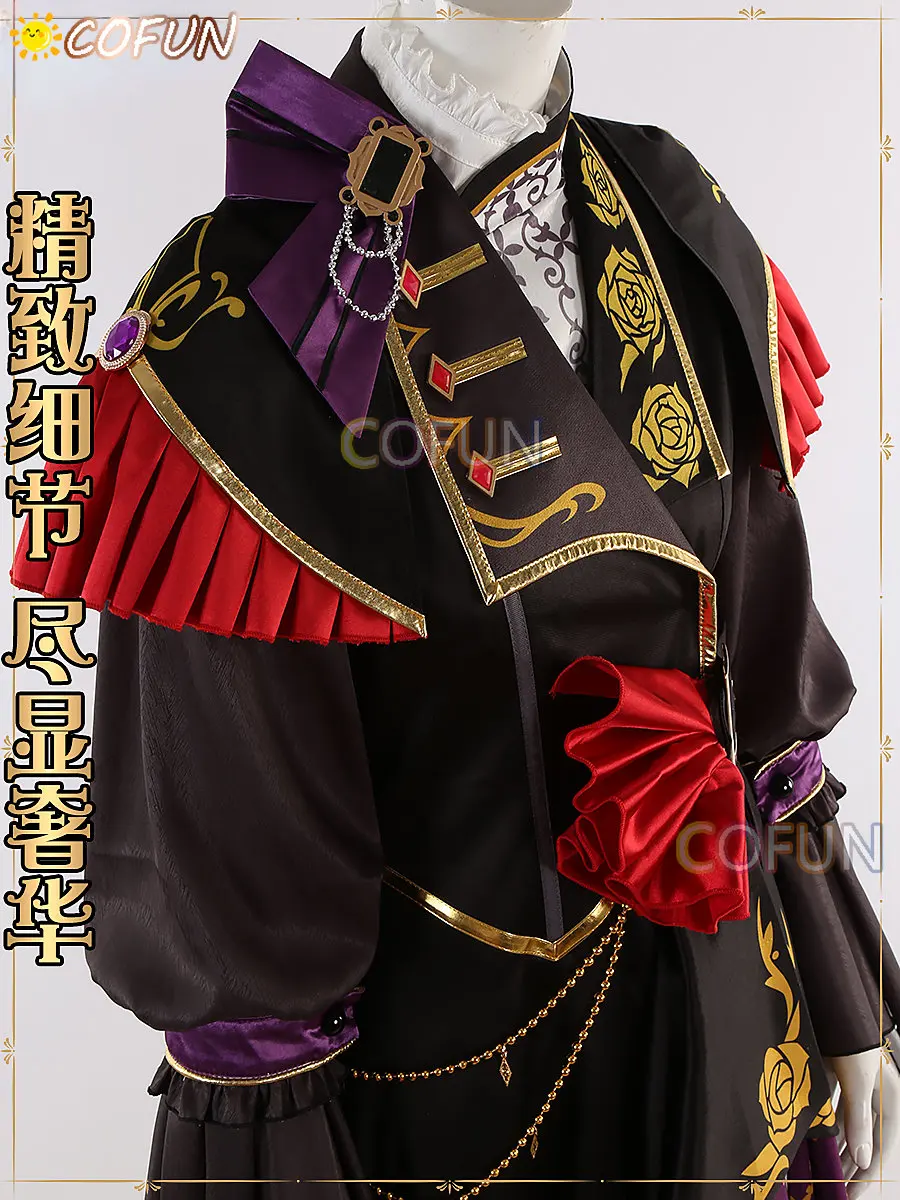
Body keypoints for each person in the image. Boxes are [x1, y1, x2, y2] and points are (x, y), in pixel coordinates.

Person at [13, 2, 900, 1195]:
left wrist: (841, 979)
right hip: (460, 1106)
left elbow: (767, 665)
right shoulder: (233, 313)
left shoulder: (673, 208)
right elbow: (235, 871)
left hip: (737, 1025)